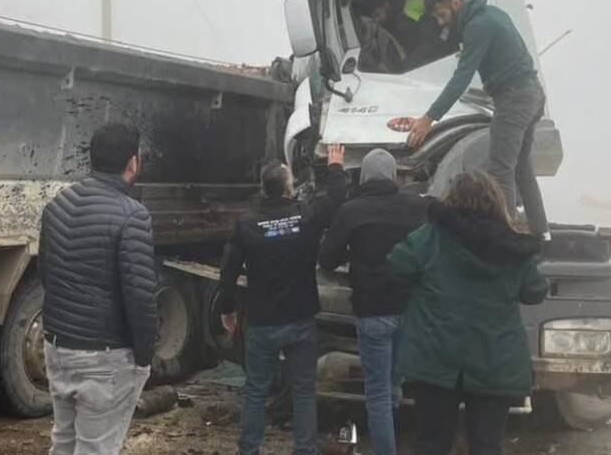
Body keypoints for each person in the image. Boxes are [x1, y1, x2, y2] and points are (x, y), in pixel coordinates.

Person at [387, 170, 548, 455]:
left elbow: (396, 267)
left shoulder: (432, 236)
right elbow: (535, 292)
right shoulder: (513, 246)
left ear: (453, 199)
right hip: (494, 360)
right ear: (496, 201)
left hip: (436, 357)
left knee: (431, 445)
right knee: (487, 447)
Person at [39, 123, 160, 455]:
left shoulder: (58, 205)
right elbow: (140, 295)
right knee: (96, 449)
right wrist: (144, 357)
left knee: (63, 441)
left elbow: (46, 274)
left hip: (57, 346)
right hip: (104, 356)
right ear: (133, 163)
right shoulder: (133, 216)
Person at [219, 145, 347, 455]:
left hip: (262, 322)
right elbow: (335, 201)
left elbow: (228, 271)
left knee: (255, 392)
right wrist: (335, 166)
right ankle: (305, 450)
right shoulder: (305, 215)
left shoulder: (247, 224)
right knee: (303, 391)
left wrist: (227, 309)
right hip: (300, 319)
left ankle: (249, 450)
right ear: (289, 188)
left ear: (264, 188)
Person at [407, 0, 550, 238]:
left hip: (514, 99)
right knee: (521, 170)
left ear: (455, 2)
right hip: (532, 94)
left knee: (500, 169)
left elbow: (461, 79)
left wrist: (429, 118)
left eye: (441, 15)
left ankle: (508, 238)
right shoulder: (492, 14)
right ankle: (541, 232)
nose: (441, 23)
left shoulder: (477, 26)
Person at [318, 149, 428, 455]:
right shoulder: (416, 207)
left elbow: (327, 260)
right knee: (393, 386)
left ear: (364, 176)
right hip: (409, 311)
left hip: (372, 313)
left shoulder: (353, 211)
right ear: (394, 176)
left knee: (377, 394)